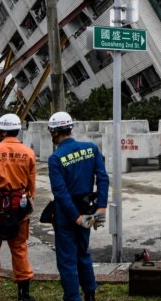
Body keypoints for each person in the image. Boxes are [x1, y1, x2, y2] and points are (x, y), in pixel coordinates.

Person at [47, 111, 109, 301]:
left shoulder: (56, 158)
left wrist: (75, 217)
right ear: (70, 128)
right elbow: (103, 178)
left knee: (67, 259)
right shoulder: (90, 149)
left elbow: (61, 193)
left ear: (55, 133)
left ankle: (73, 297)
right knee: (83, 252)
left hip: (67, 214)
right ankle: (90, 293)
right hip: (87, 208)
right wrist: (100, 208)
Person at [0, 113, 37, 301]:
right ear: (18, 130)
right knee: (19, 248)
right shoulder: (28, 153)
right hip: (18, 209)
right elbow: (31, 187)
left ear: (0, 131)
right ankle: (23, 293)